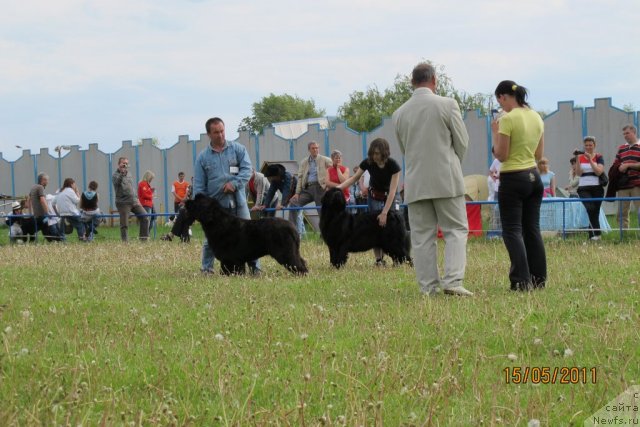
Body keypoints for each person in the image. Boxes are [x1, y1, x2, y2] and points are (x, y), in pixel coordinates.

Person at [391, 62, 472, 297]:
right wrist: (453, 163)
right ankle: (453, 280)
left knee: (422, 238)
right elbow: (462, 142)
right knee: (456, 230)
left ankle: (428, 288)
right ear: (435, 80)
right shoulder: (448, 104)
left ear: (411, 82)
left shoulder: (399, 114)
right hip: (447, 179)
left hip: (416, 182)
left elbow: (405, 148)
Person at [491, 80, 546, 291]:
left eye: (500, 101)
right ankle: (538, 278)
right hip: (534, 177)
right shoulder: (536, 117)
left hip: (513, 178)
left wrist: (495, 133)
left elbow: (502, 155)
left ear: (504, 97)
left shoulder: (508, 119)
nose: (501, 107)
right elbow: (539, 155)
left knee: (512, 230)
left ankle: (520, 280)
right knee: (532, 229)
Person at [193, 117, 260, 275]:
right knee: (212, 239)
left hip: (239, 203)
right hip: (216, 207)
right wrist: (203, 208)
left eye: (222, 131)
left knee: (249, 235)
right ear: (208, 134)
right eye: (216, 132)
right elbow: (199, 187)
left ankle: (255, 269)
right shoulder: (202, 158)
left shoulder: (238, 149)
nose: (220, 135)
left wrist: (234, 184)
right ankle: (207, 269)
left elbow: (247, 171)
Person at [336, 138, 402, 267]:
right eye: (372, 153)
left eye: (377, 153)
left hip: (390, 196)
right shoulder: (368, 162)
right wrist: (336, 189)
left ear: (384, 153)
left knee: (392, 227)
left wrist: (384, 213)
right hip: (374, 195)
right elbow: (354, 178)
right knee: (375, 228)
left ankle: (396, 259)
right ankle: (379, 260)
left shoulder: (394, 165)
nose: (374, 156)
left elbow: (393, 191)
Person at [288, 141, 332, 230]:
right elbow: (300, 178)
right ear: (309, 150)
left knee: (322, 211)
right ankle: (292, 230)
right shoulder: (304, 162)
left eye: (317, 148)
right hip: (307, 189)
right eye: (313, 148)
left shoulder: (326, 160)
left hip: (320, 188)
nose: (315, 150)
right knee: (293, 203)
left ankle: (325, 235)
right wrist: (297, 193)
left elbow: (332, 174)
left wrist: (328, 187)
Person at [575, 136, 606, 240]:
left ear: (594, 145)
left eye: (590, 145)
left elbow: (599, 171)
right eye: (586, 145)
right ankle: (597, 234)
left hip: (597, 187)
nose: (588, 147)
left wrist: (590, 160)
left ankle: (592, 236)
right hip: (584, 188)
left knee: (595, 211)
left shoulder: (599, 157)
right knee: (590, 208)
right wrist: (577, 158)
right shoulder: (580, 157)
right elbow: (578, 173)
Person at [112, 157, 149, 241]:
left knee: (145, 217)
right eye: (123, 163)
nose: (125, 165)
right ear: (119, 164)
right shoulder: (115, 175)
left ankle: (143, 240)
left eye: (126, 163)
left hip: (134, 201)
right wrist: (121, 173)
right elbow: (117, 182)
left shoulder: (129, 174)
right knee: (124, 224)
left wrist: (137, 199)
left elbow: (132, 188)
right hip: (123, 202)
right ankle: (125, 243)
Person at [614, 125, 640, 229]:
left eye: (627, 133)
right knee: (621, 213)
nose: (625, 136)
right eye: (624, 134)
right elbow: (615, 163)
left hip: (638, 185)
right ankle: (623, 236)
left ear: (634, 132)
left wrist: (628, 165)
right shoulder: (621, 148)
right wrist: (619, 167)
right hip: (623, 185)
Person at [27, 172, 50, 240]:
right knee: (48, 230)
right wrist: (48, 212)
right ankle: (55, 241)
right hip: (41, 215)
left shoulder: (33, 187)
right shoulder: (40, 187)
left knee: (37, 229)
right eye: (46, 180)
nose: (47, 182)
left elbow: (28, 199)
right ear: (42, 180)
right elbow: (42, 200)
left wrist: (30, 213)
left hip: (35, 215)